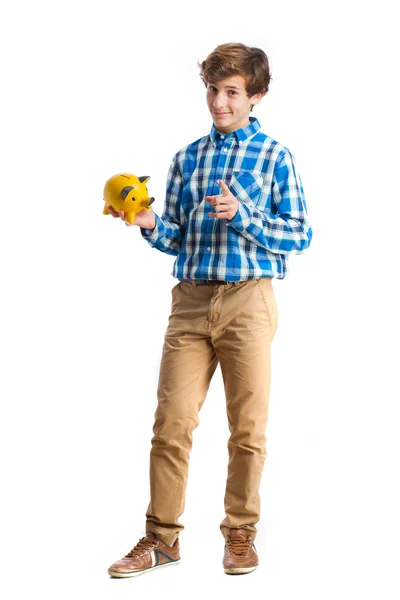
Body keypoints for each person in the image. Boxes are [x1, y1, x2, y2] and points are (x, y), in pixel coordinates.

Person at [107, 42, 312, 578]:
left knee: (247, 429)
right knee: (170, 424)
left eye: (231, 92)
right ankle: (161, 539)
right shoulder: (187, 158)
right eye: (213, 90)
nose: (218, 102)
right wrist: (148, 224)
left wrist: (243, 216)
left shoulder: (274, 156)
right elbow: (177, 235)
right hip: (191, 303)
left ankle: (240, 533)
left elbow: (301, 233)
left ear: (256, 96)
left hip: (249, 301)